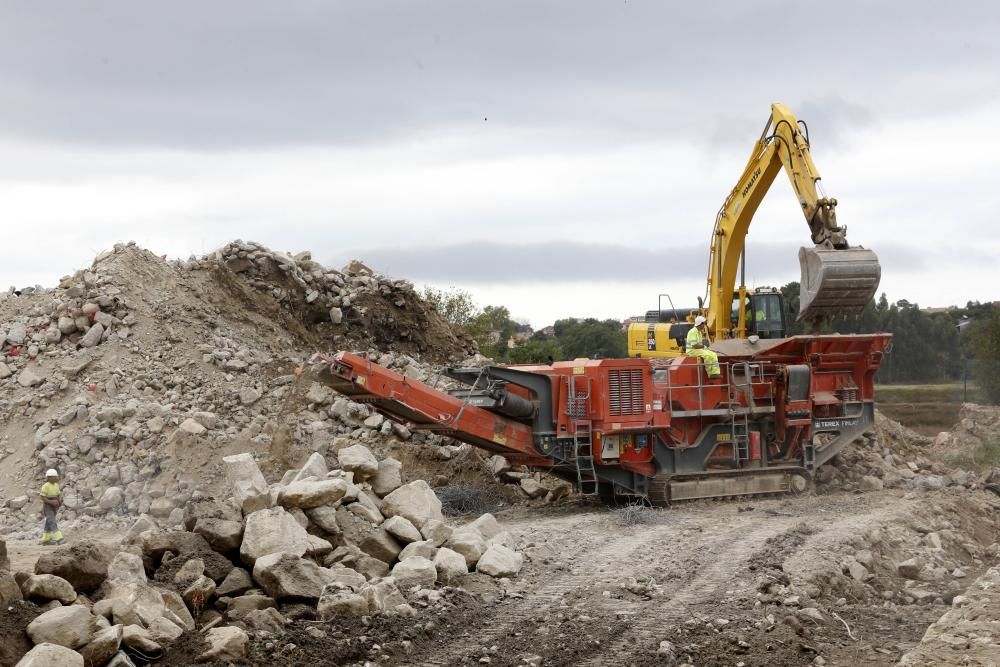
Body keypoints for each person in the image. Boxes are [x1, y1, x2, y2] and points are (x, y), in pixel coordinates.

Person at [39, 469, 64, 545]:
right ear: (48, 477)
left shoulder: (56, 485)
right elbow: (42, 497)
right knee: (52, 521)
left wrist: (59, 501)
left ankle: (45, 540)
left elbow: (58, 494)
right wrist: (51, 502)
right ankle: (59, 538)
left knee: (48, 522)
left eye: (56, 477)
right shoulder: (45, 486)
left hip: (54, 506)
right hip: (48, 506)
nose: (56, 478)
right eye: (54, 477)